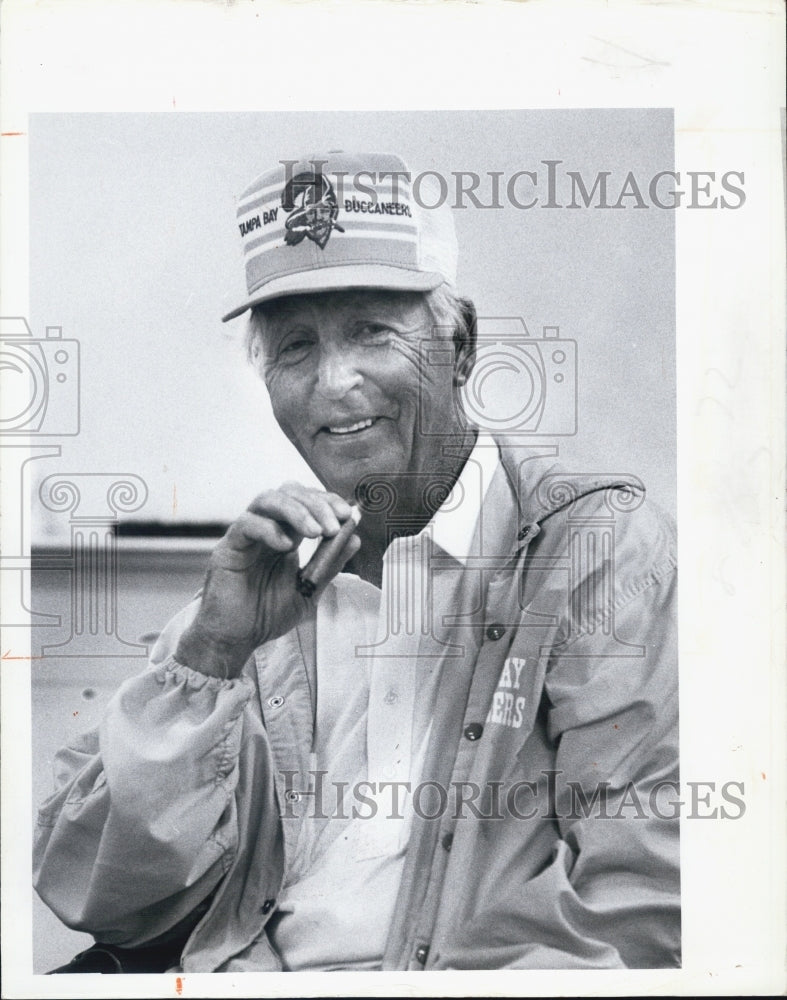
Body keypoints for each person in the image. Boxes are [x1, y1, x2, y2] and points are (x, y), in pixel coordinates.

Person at [34, 151, 680, 973]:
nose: (334, 383)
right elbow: (102, 899)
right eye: (296, 347)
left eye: (371, 331)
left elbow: (646, 906)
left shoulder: (592, 548)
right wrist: (211, 654)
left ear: (460, 341)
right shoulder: (263, 580)